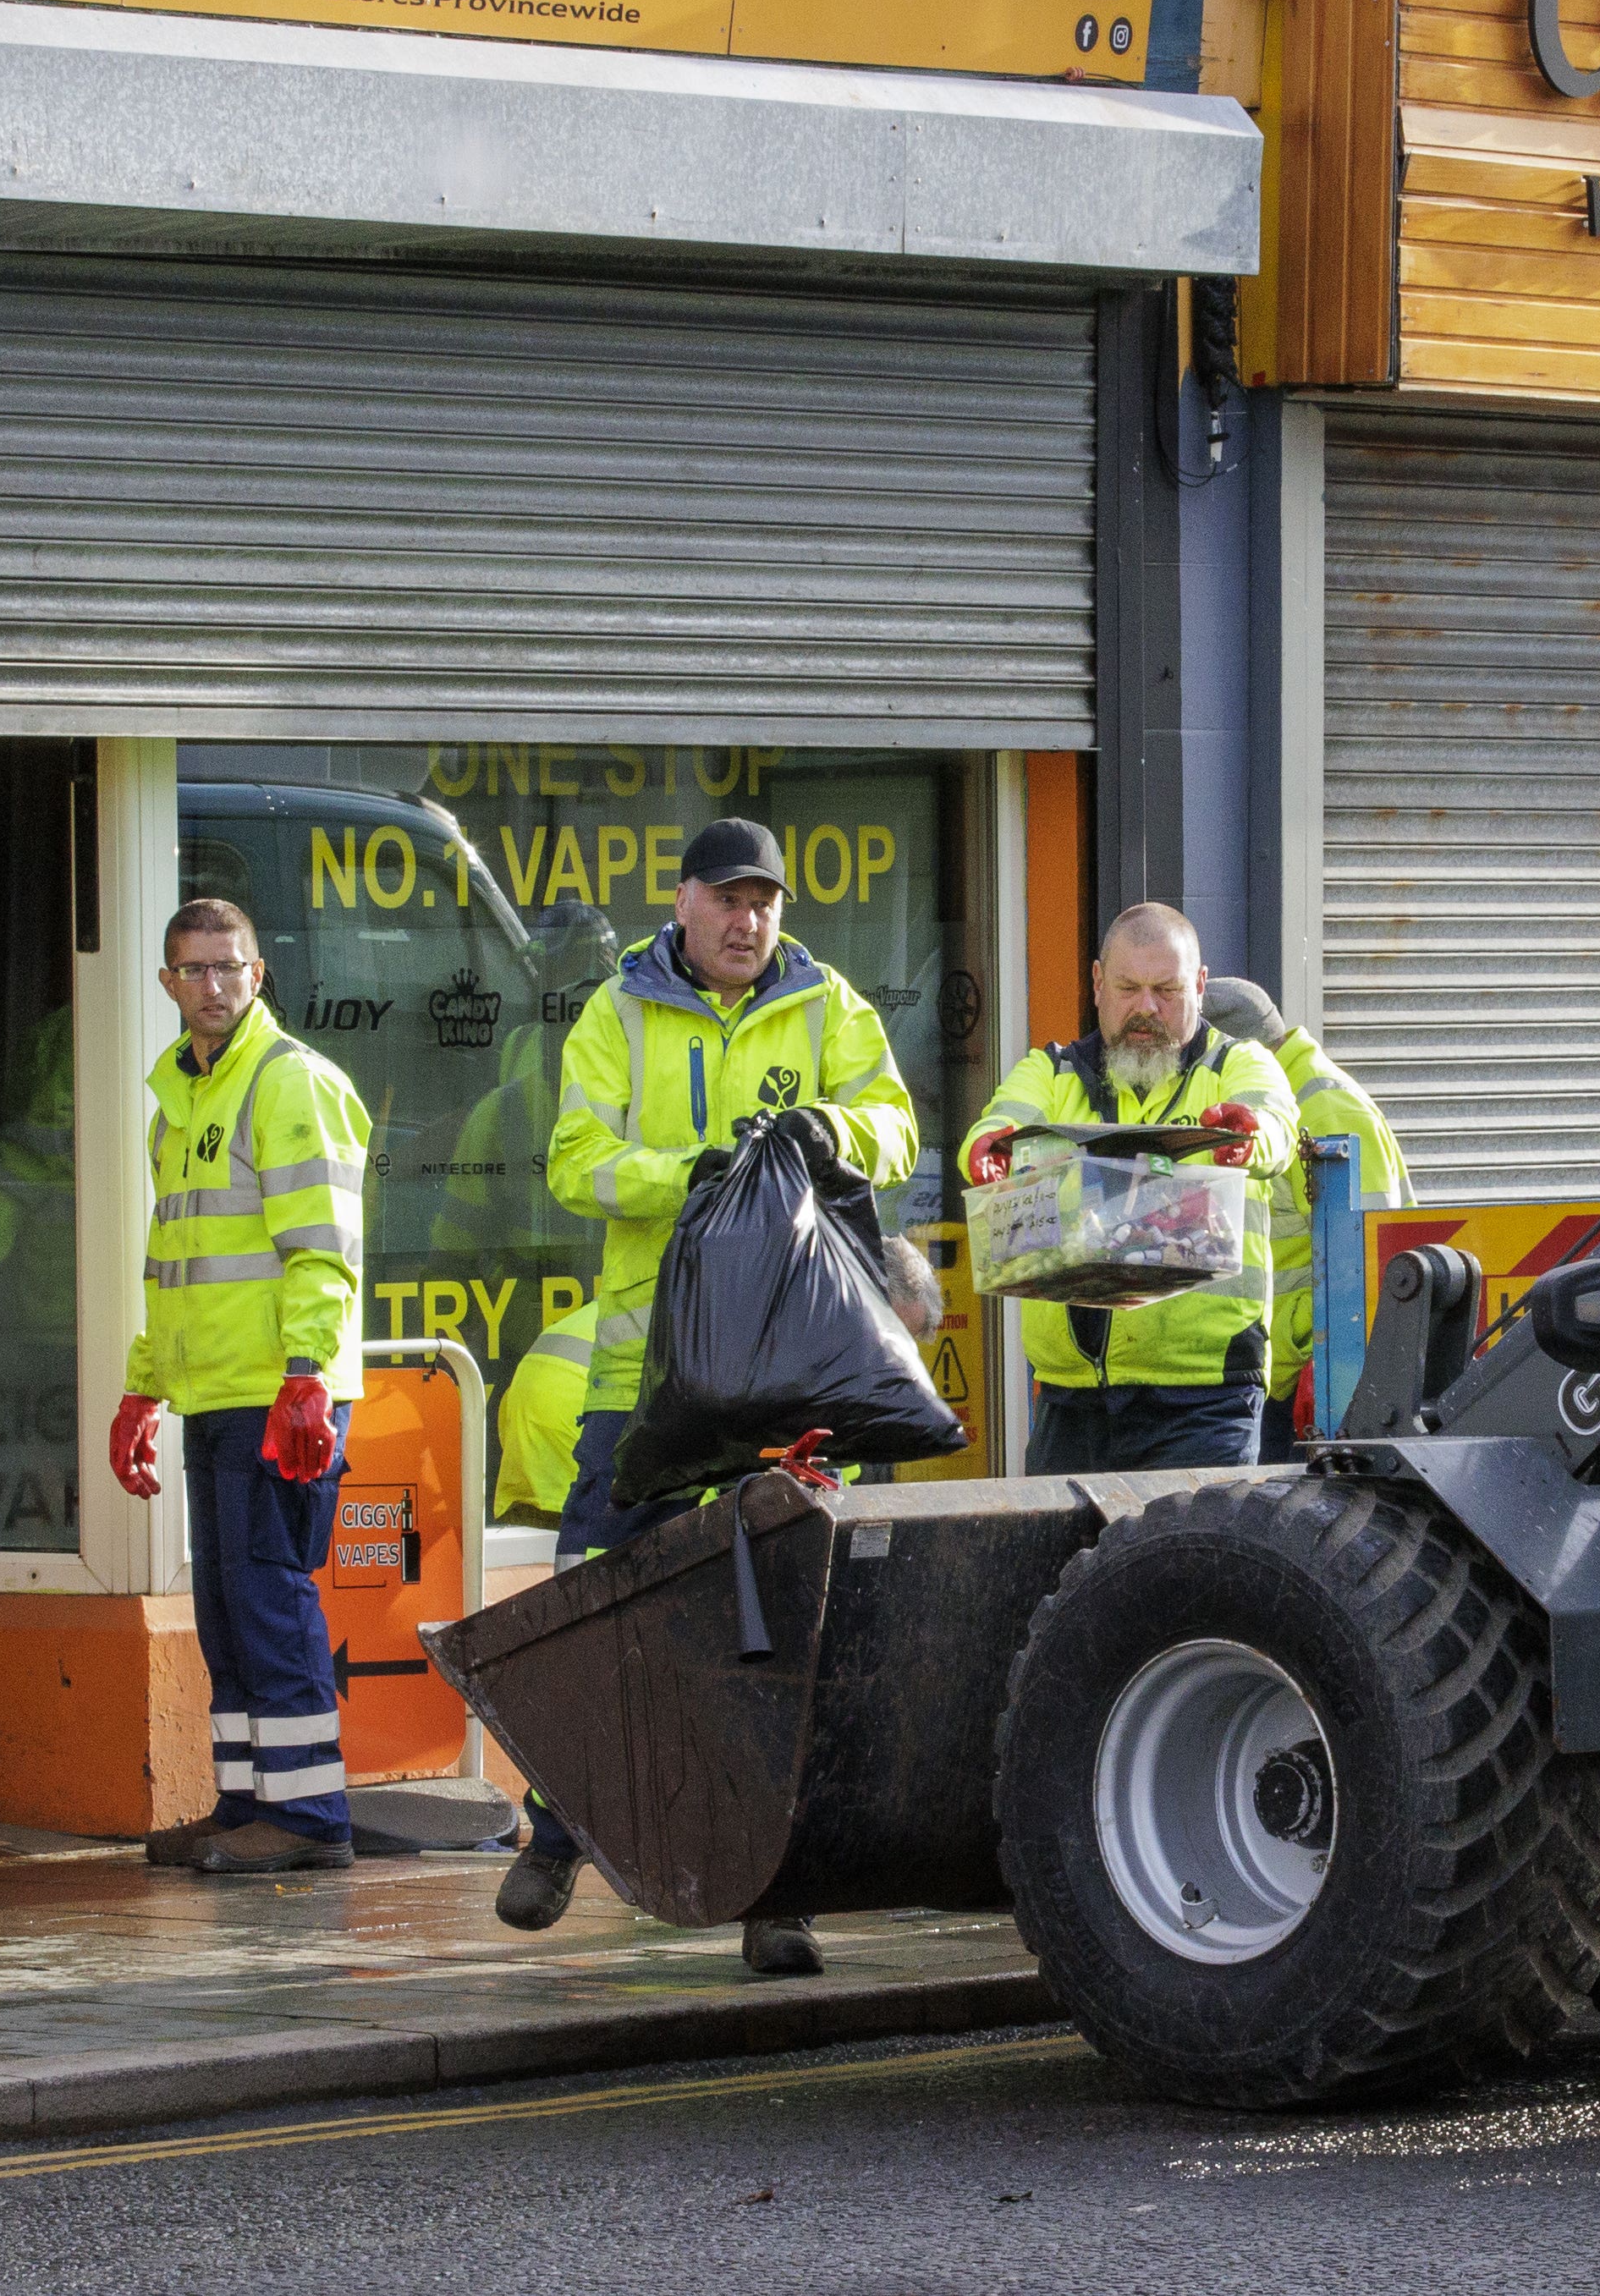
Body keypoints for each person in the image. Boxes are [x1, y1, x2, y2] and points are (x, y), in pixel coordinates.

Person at [496, 817, 918, 1953]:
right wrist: (685, 1170)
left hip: (788, 1374)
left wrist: (832, 1128)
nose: (747, 921)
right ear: (680, 902)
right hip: (648, 1375)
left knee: (785, 1627)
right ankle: (556, 1832)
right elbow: (574, 1161)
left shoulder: (826, 1006)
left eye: (764, 902)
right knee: (596, 1595)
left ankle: (776, 1896)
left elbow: (896, 1130)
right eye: (727, 899)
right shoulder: (617, 1012)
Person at [106, 897, 377, 1876]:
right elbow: (173, 1265)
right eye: (194, 969)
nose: (212, 985)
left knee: (267, 1597)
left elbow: (323, 1251)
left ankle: (309, 1820)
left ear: (258, 975)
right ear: (168, 982)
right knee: (224, 1606)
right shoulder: (178, 1106)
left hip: (276, 1395)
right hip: (216, 1393)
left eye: (230, 967)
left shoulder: (288, 1082)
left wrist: (306, 1375)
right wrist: (144, 1387)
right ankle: (244, 1802)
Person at [961, 904, 1298, 1475]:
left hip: (1204, 1399)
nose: (1146, 1007)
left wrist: (1247, 1136)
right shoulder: (1051, 1071)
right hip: (1070, 1401)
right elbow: (999, 1122)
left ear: (1199, 985)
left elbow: (1275, 1121)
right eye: (1128, 987)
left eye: (1165, 990)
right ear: (1097, 983)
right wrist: (986, 1148)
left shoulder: (1239, 1064)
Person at [1199, 977, 1409, 1456]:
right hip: (1282, 1370)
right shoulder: (1287, 1099)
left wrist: (1336, 1366)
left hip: (1317, 1380)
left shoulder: (1322, 1106)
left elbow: (1375, 1253)